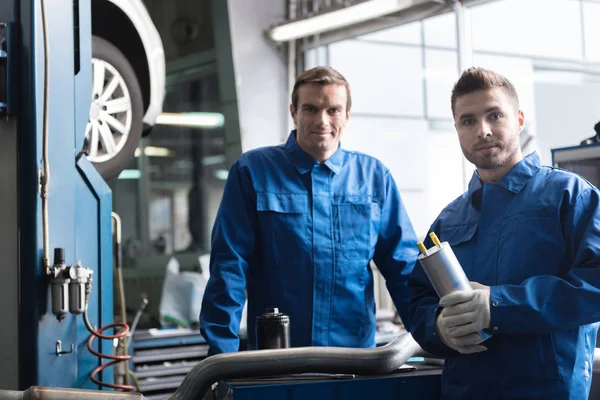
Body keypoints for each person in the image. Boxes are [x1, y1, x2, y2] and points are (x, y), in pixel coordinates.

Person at [408, 67, 600, 399]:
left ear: (520, 119)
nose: (482, 131)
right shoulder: (448, 220)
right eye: (468, 121)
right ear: (457, 130)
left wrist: (498, 305)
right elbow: (418, 300)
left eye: (494, 115)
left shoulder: (569, 196)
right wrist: (437, 326)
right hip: (465, 391)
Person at [200, 66, 419, 355]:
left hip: (356, 362)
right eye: (311, 109)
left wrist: (431, 337)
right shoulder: (253, 172)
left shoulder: (374, 178)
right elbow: (229, 269)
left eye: (333, 110)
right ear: (294, 112)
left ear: (347, 115)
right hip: (275, 362)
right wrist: (221, 356)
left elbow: (404, 270)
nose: (322, 120)